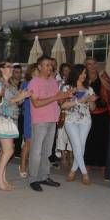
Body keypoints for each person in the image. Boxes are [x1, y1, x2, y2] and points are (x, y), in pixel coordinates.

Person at [28, 56, 72, 192]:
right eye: (46, 65)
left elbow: (58, 98)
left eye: (50, 65)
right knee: (36, 151)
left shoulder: (53, 81)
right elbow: (36, 103)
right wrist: (56, 97)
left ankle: (44, 176)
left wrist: (66, 95)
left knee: (47, 151)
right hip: (40, 120)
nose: (49, 67)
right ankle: (33, 179)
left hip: (52, 119)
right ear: (39, 67)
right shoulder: (34, 82)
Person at [0, 62, 30, 190]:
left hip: (12, 119)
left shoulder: (12, 84)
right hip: (3, 119)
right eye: (8, 67)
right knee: (9, 150)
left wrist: (23, 95)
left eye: (12, 67)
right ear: (1, 69)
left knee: (5, 150)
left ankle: (3, 179)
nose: (11, 69)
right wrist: (19, 97)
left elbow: (18, 102)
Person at [60, 64, 98, 184]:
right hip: (70, 120)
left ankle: (73, 170)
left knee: (80, 147)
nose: (83, 75)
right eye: (81, 73)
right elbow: (63, 105)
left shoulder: (89, 89)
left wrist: (92, 101)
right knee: (77, 145)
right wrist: (78, 101)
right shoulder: (67, 88)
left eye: (85, 73)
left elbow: (92, 108)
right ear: (75, 73)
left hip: (85, 121)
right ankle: (85, 174)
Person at [84, 58, 110, 170]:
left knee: (103, 138)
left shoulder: (103, 75)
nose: (92, 66)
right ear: (86, 66)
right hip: (88, 112)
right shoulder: (83, 77)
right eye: (89, 64)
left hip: (103, 112)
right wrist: (88, 83)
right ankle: (88, 162)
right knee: (89, 138)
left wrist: (100, 77)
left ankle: (102, 163)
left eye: (94, 63)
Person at [18, 64, 38, 178]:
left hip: (40, 116)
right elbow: (19, 99)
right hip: (29, 116)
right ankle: (22, 166)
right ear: (30, 72)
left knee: (37, 144)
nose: (37, 73)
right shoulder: (26, 83)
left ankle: (33, 167)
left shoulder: (41, 83)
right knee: (28, 142)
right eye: (35, 71)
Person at [55, 63, 72, 163]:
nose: (67, 72)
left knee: (71, 135)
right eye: (65, 70)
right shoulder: (59, 83)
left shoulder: (74, 82)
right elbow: (57, 99)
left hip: (73, 112)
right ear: (62, 72)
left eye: (68, 70)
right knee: (61, 134)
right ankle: (63, 157)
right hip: (62, 111)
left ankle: (70, 155)